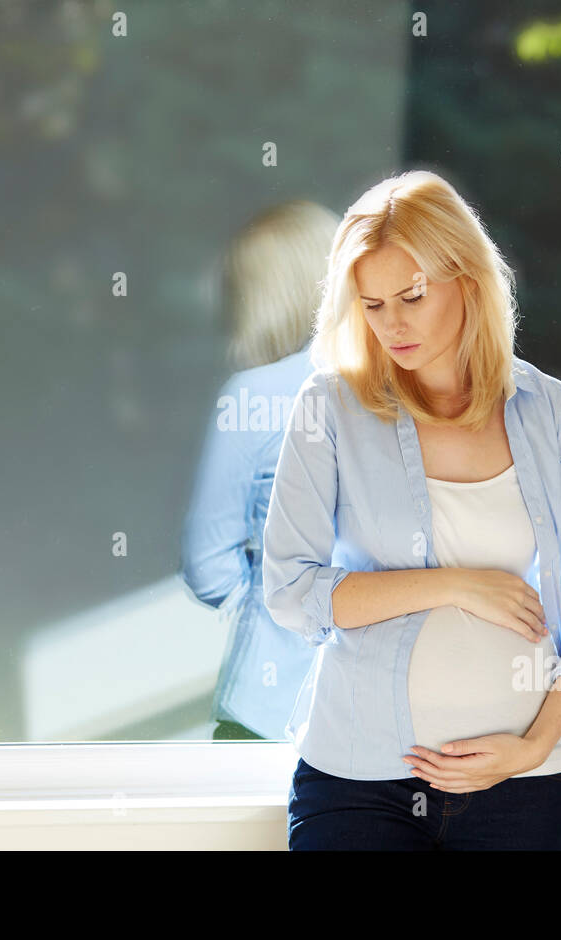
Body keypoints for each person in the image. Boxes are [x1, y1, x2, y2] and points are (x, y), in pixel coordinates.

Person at [262, 170, 561, 850]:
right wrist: (454, 584)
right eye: (373, 303)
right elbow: (291, 593)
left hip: (518, 786)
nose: (393, 324)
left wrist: (533, 747)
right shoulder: (329, 410)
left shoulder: (556, 415)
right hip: (357, 780)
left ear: (467, 280)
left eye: (412, 296)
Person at [181, 199, 341, 741]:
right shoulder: (406, 393)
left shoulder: (252, 396)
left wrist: (269, 607)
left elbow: (207, 567)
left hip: (264, 715)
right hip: (378, 725)